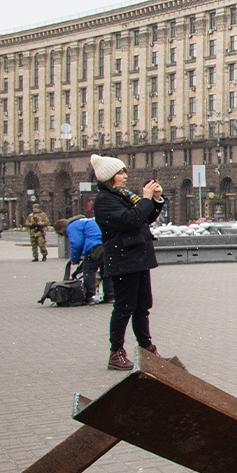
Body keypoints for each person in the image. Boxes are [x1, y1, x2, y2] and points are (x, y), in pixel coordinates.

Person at [89, 154, 165, 371]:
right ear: (109, 177)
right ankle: (116, 353)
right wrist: (146, 200)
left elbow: (144, 218)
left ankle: (146, 348)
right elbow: (130, 220)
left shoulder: (123, 195)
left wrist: (155, 200)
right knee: (124, 308)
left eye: (124, 172)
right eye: (121, 173)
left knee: (142, 307)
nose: (125, 176)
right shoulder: (105, 200)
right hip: (123, 259)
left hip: (138, 258)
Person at [66, 213, 104, 303]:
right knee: (106, 269)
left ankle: (89, 296)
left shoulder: (71, 226)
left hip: (95, 247)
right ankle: (110, 295)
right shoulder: (87, 221)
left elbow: (76, 243)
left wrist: (74, 259)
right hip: (107, 244)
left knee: (88, 269)